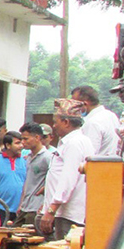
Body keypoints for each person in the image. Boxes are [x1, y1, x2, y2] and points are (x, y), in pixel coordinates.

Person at [39, 99, 94, 240]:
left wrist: (51, 210)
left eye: (56, 121)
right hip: (63, 211)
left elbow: (68, 179)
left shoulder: (74, 143)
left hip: (67, 213)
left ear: (66, 122)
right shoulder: (76, 141)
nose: (54, 125)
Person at [0, 131, 27, 225]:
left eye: (21, 143)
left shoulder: (26, 161)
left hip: (21, 209)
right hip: (0, 208)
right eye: (17, 143)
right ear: (8, 145)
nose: (21, 146)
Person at [17, 122, 52, 225]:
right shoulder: (28, 157)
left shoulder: (47, 157)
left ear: (37, 137)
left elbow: (57, 179)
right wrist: (21, 204)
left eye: (26, 139)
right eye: (22, 139)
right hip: (25, 206)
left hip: (37, 208)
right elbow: (27, 182)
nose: (23, 142)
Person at [71, 84, 121, 156]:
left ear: (85, 104)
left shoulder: (92, 122)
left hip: (99, 165)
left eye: (75, 104)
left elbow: (89, 153)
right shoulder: (112, 115)